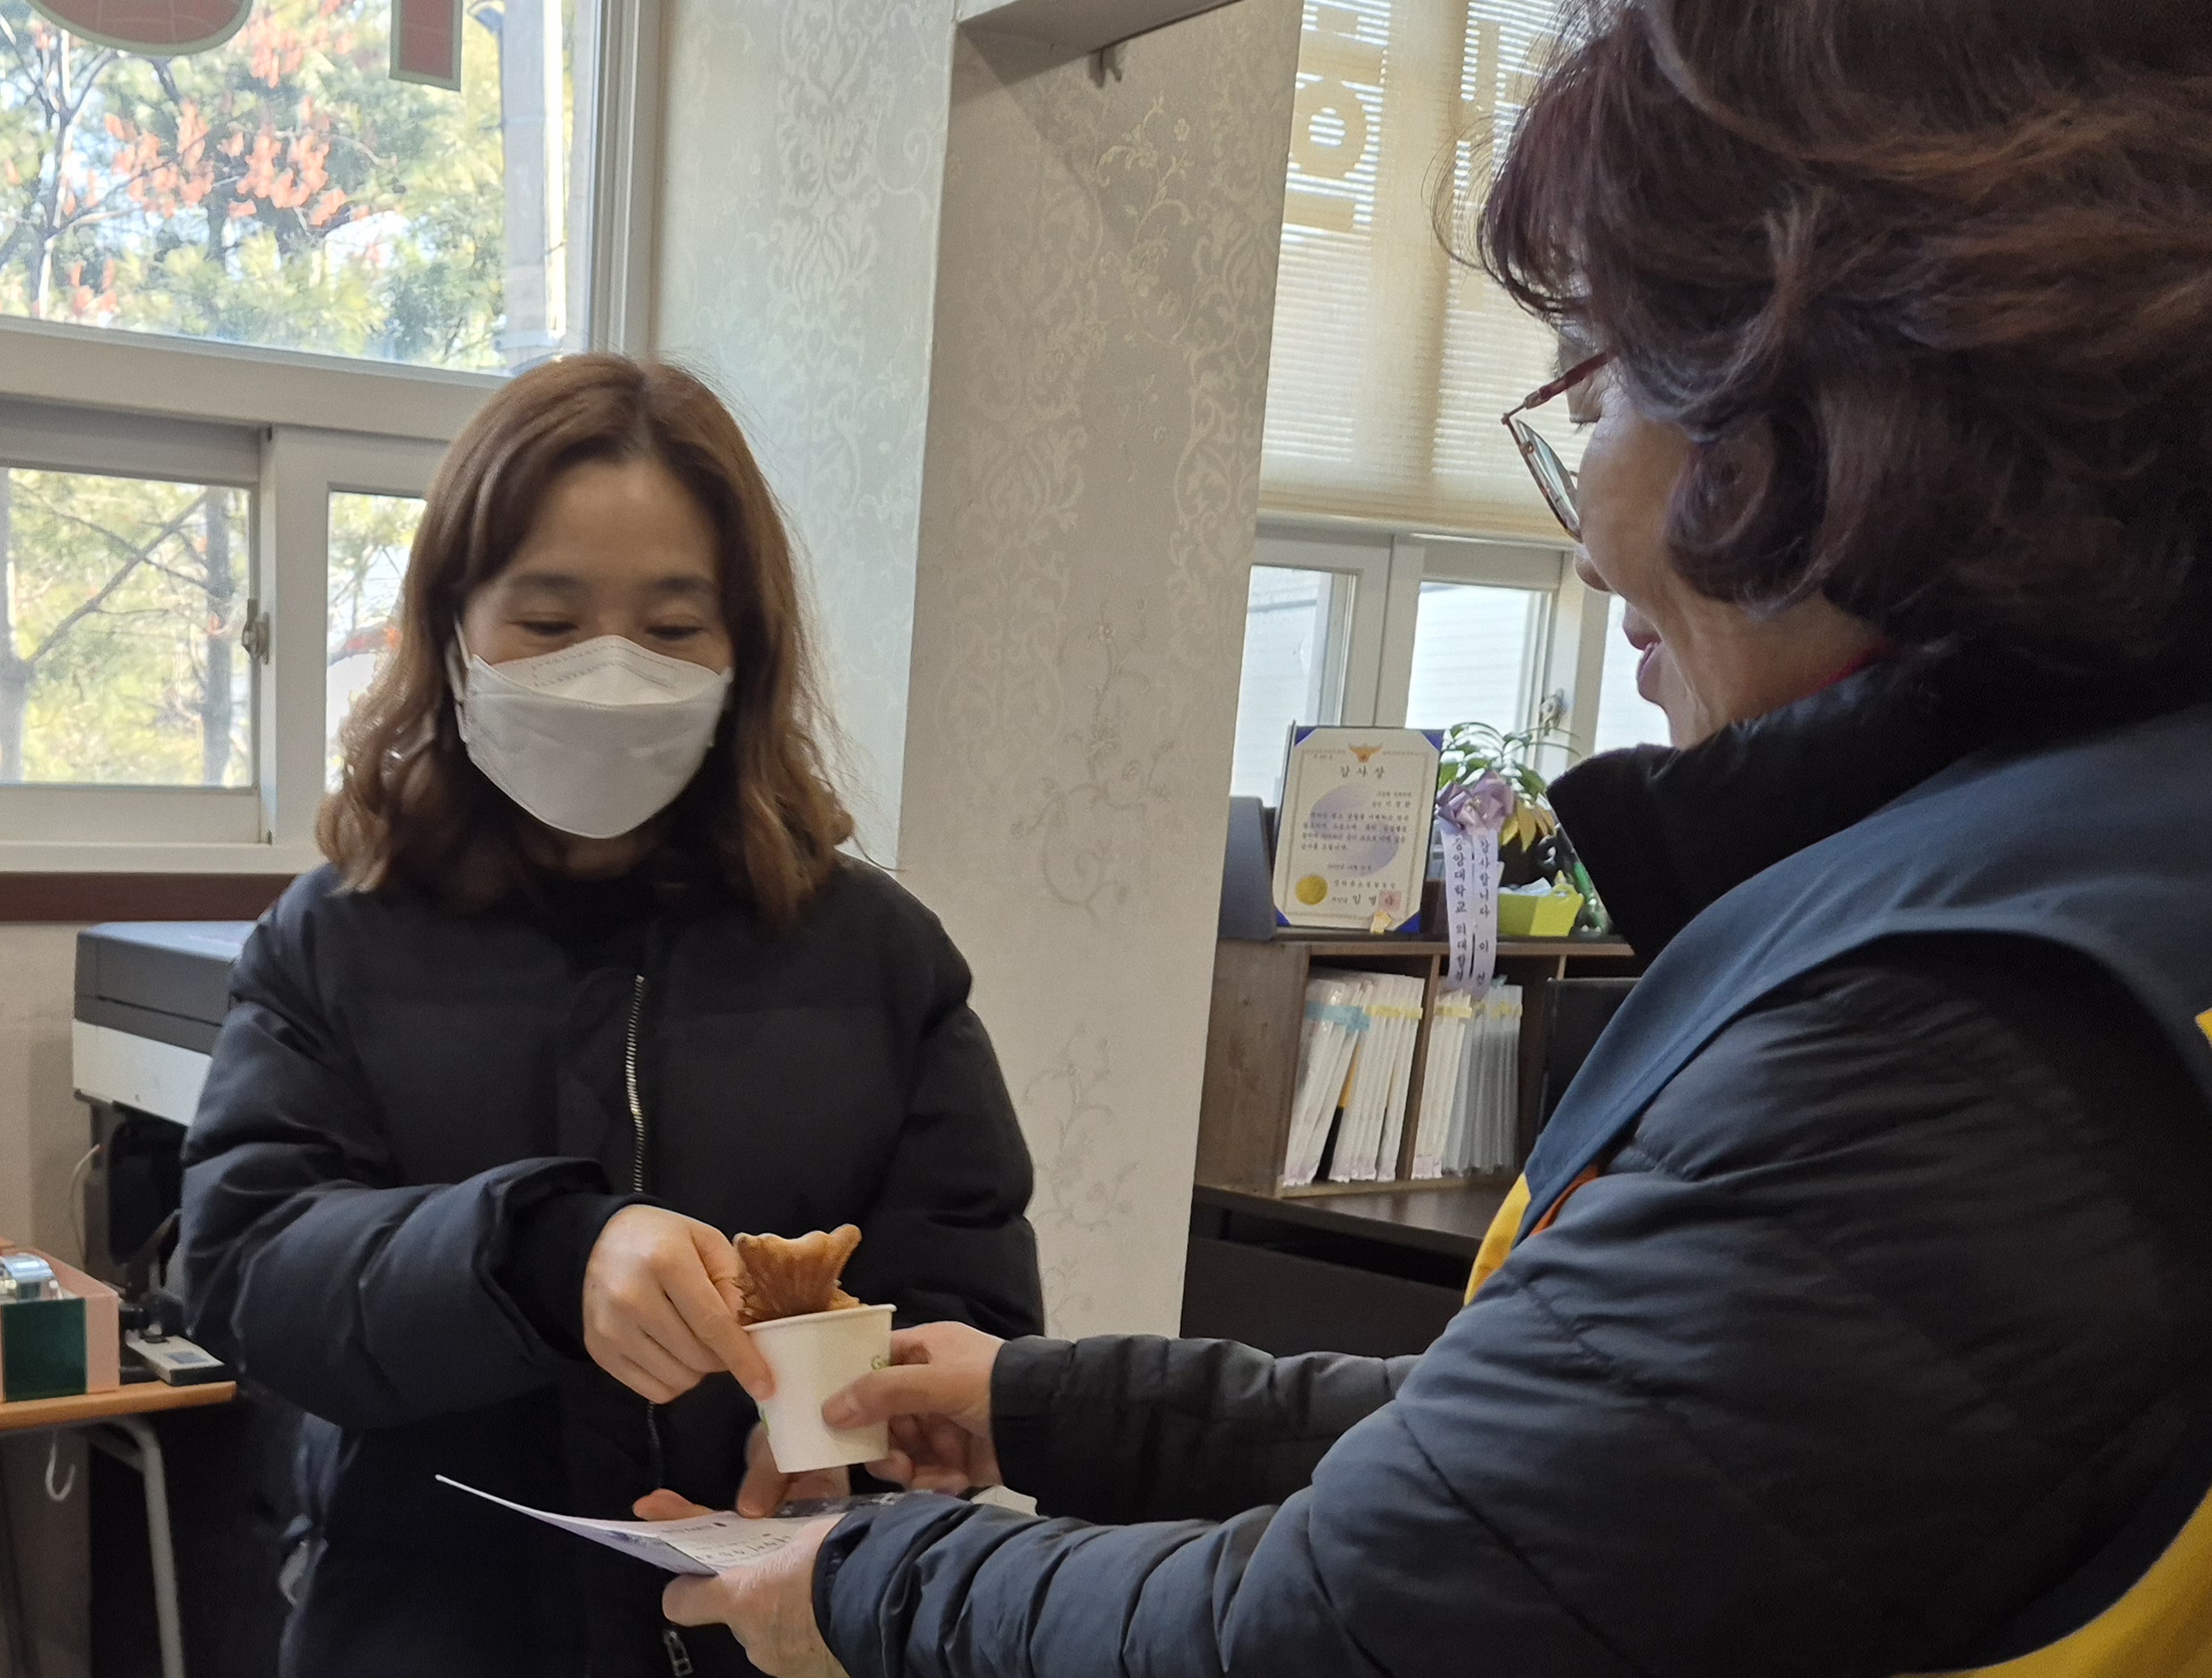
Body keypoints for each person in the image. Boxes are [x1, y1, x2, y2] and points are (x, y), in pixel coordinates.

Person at [647, 1, 2212, 1673]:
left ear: (1835, 403)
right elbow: (1565, 1448)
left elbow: (1343, 1626)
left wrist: (865, 1583)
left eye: (1605, 383)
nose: (1588, 531)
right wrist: (1044, 1403)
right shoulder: (2097, 863)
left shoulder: (1957, 1022)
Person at [176, 355, 1045, 1678]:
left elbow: (966, 1298)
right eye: (549, 618)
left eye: (673, 626)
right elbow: (250, 1271)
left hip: (787, 1629)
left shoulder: (877, 956)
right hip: (426, 1628)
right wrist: (535, 1255)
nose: (612, 671)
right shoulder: (339, 936)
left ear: (744, 652)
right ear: (452, 630)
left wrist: (861, 1432)